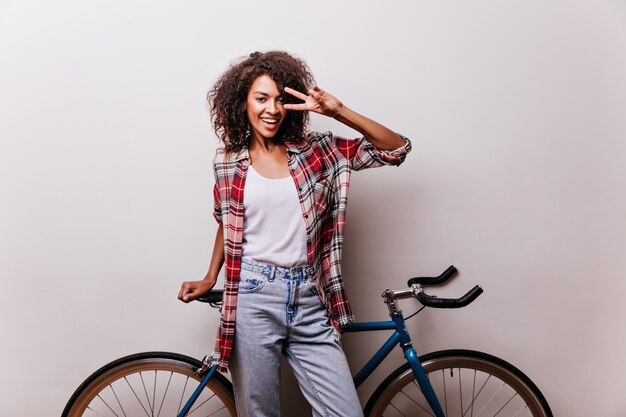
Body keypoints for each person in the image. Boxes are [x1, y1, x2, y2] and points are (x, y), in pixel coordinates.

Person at [178, 51, 411, 417]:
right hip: (253, 296)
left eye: (279, 99)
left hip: (309, 296)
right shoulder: (227, 161)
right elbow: (228, 221)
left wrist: (339, 111)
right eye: (261, 98)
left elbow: (396, 149)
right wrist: (211, 277)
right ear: (242, 103)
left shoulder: (317, 152)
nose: (272, 109)